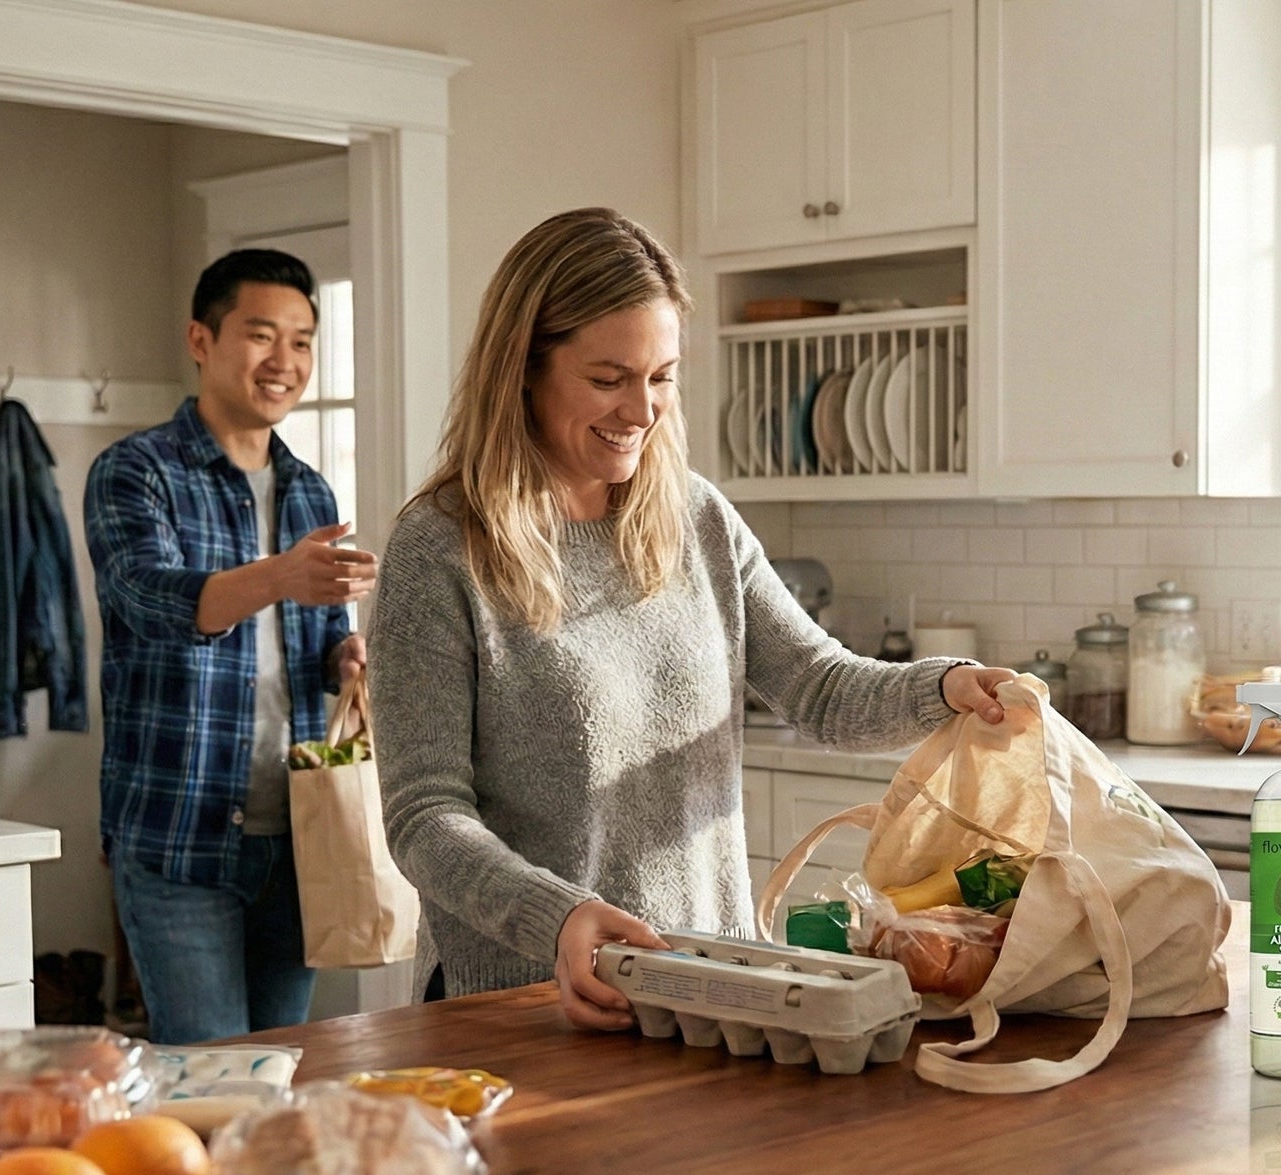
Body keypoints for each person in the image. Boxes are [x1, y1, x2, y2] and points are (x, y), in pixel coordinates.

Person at [370, 207, 1013, 1029]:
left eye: (662, 376)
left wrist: (948, 687)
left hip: (711, 988)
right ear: (522, 370)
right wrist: (558, 917)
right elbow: (425, 818)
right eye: (609, 378)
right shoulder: (440, 551)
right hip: (529, 1001)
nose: (642, 409)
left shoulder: (695, 520)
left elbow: (819, 686)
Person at [83, 248, 378, 1044]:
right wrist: (282, 575)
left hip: (301, 838)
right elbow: (148, 604)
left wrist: (346, 658)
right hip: (180, 837)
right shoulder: (135, 472)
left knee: (280, 1069)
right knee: (209, 1076)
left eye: (304, 341)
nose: (285, 362)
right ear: (201, 339)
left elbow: (315, 645)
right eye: (261, 335)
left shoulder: (310, 489)